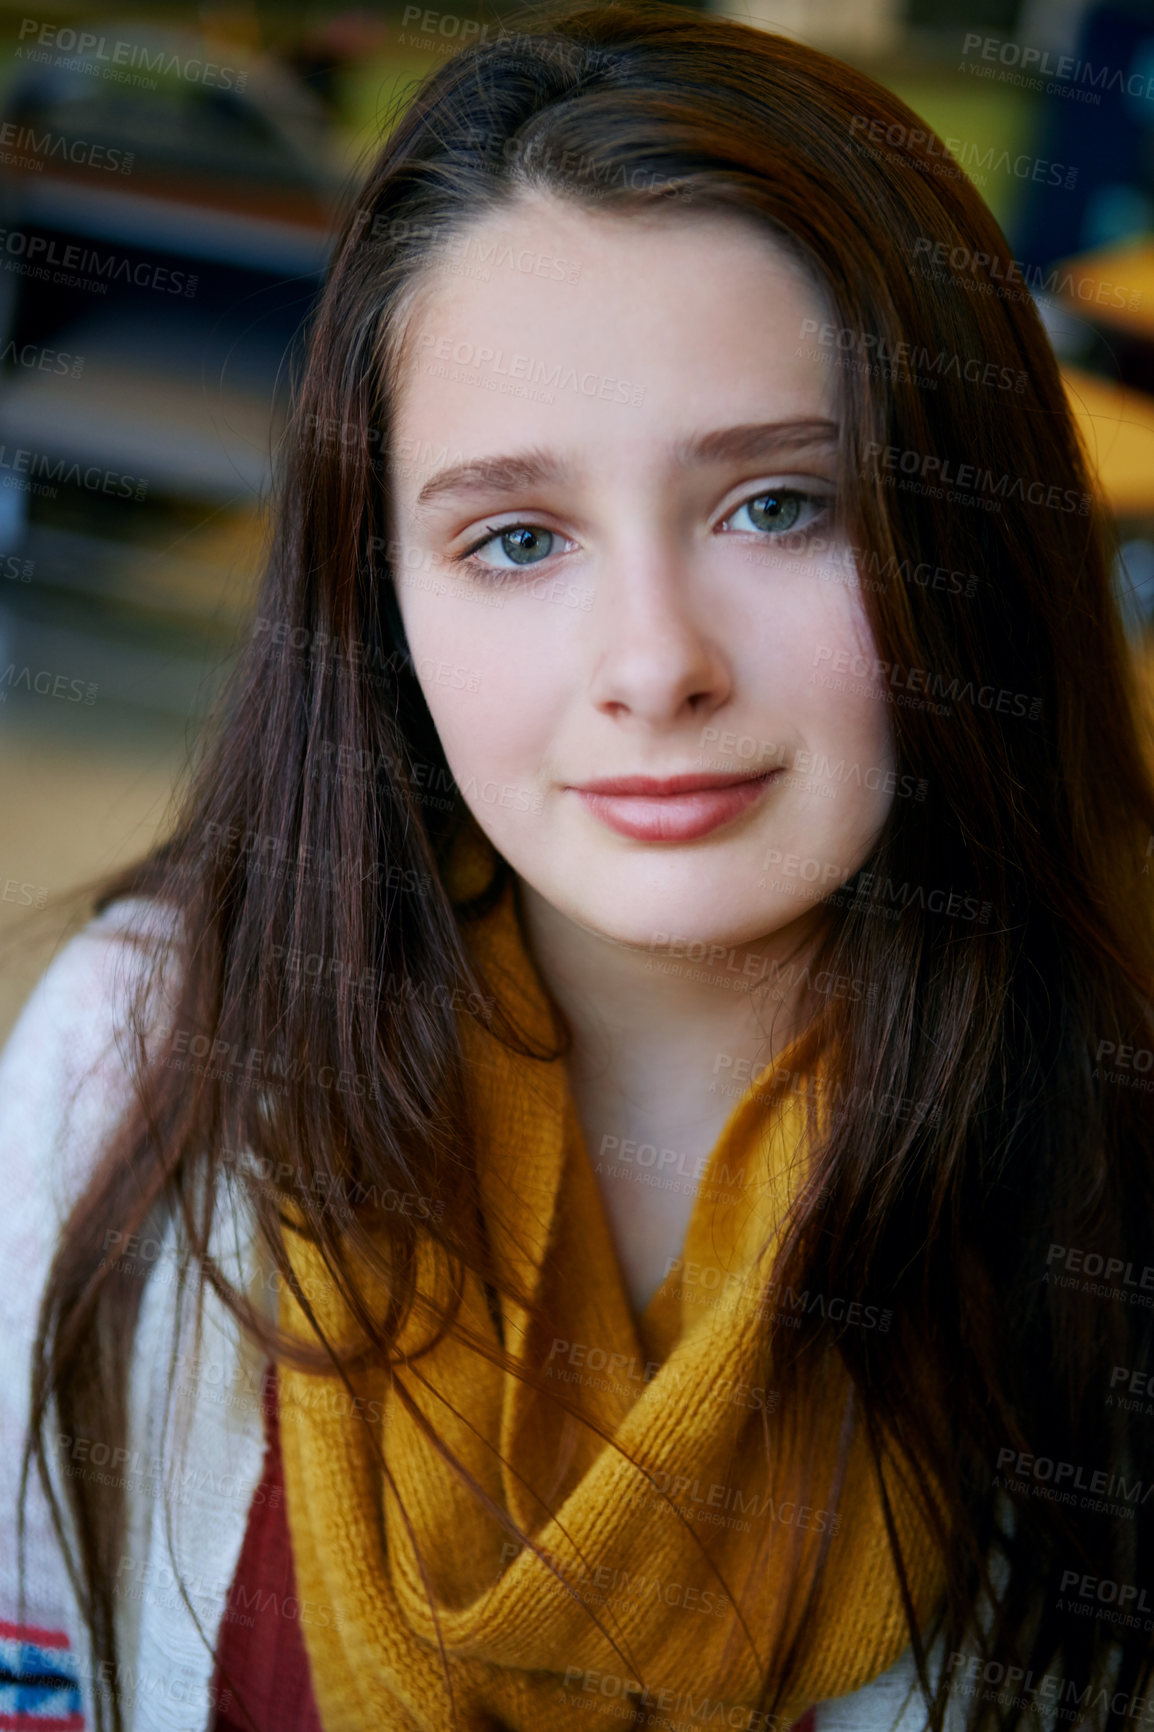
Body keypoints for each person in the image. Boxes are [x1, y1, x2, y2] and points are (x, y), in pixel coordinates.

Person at [3, 3, 1154, 1728]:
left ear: (967, 528)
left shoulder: (1106, 1136)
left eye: (778, 504)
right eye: (516, 538)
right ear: (376, 597)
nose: (651, 662)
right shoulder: (133, 1053)